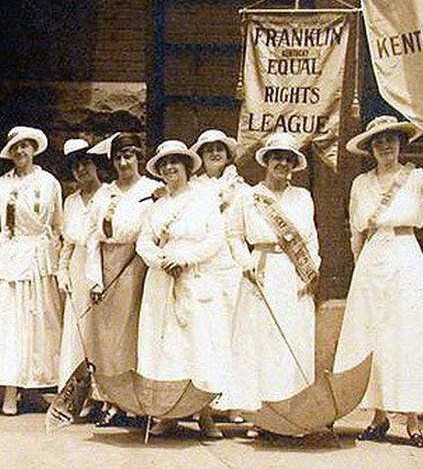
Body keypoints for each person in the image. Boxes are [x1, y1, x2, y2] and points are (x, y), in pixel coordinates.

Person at [335, 116, 423, 448]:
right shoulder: (361, 184)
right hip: (372, 257)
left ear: (400, 143)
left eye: (391, 139)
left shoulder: (415, 177)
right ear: (370, 148)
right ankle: (378, 416)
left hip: (406, 256)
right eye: (378, 142)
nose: (385, 146)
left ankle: (412, 420)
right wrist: (359, 265)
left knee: (407, 334)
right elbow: (355, 231)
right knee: (373, 335)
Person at [223, 132, 320, 436]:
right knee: (261, 343)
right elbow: (234, 236)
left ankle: (291, 414)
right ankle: (261, 415)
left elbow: (311, 238)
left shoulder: (302, 197)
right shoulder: (248, 196)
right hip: (261, 272)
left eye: (288, 159)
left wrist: (312, 271)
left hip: (294, 275)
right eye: (277, 157)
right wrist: (246, 263)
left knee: (293, 339)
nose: (283, 163)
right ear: (266, 161)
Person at [135, 140, 229, 438]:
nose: (169, 167)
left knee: (197, 344)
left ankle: (204, 414)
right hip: (162, 281)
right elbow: (143, 243)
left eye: (175, 162)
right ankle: (167, 413)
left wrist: (186, 258)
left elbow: (214, 240)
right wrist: (161, 259)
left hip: (194, 277)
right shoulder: (157, 208)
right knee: (165, 346)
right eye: (164, 164)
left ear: (187, 166)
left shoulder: (203, 201)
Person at [0, 126, 64, 415]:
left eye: (25, 146)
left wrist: (56, 259)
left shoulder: (49, 182)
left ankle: (34, 387)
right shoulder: (1, 186)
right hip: (10, 258)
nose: (20, 152)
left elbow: (57, 225)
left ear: (33, 149)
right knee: (10, 324)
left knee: (39, 323)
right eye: (15, 147)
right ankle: (10, 391)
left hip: (40, 260)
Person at [81, 132, 161, 427]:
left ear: (139, 158)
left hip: (138, 267)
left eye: (129, 156)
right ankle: (111, 402)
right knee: (107, 338)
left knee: (135, 335)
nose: (123, 162)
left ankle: (139, 404)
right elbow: (92, 238)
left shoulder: (153, 189)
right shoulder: (105, 192)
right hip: (107, 266)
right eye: (118, 158)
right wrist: (94, 279)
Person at [190, 129, 250, 421]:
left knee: (233, 332)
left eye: (220, 149)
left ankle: (232, 400)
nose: (215, 153)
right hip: (204, 265)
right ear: (200, 156)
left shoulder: (241, 188)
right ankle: (204, 402)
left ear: (228, 155)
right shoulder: (193, 188)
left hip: (231, 264)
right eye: (208, 149)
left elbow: (246, 228)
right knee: (206, 334)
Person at [55, 139, 105, 392]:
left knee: (99, 331)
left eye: (85, 163)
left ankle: (101, 395)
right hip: (77, 268)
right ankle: (76, 393)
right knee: (77, 331)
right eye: (76, 167)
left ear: (95, 165)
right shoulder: (71, 201)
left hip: (102, 267)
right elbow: (68, 243)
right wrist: (62, 271)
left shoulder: (108, 194)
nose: (81, 170)